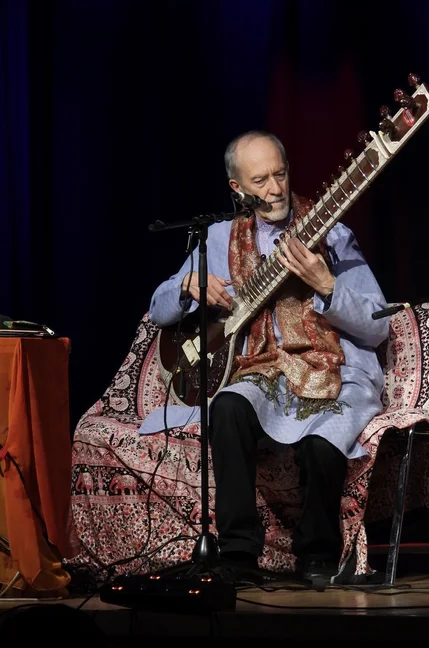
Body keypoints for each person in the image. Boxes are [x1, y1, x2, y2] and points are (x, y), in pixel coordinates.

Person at [144, 130, 389, 584]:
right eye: (260, 180)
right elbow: (159, 309)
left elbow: (378, 324)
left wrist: (326, 284)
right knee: (229, 407)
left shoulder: (331, 233)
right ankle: (238, 554)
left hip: (332, 366)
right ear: (237, 189)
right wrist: (187, 287)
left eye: (281, 174)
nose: (275, 189)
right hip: (264, 369)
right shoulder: (218, 238)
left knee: (324, 438)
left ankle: (317, 556)